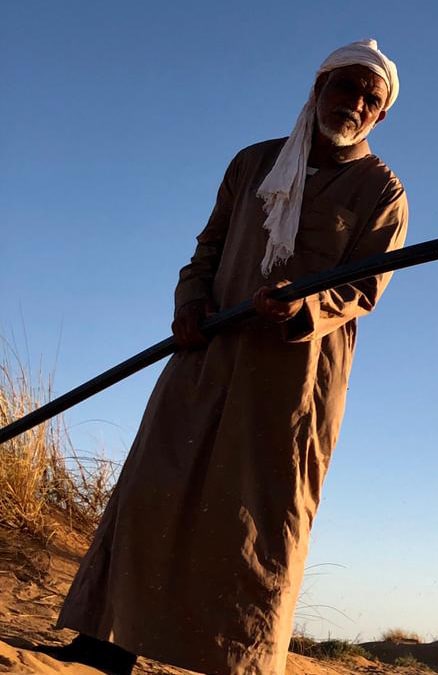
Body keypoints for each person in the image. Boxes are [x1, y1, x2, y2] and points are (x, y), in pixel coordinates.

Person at [38, 39, 409, 675]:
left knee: (258, 519)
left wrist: (301, 311)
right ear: (317, 90)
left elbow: (364, 289)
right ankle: (105, 642)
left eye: (369, 99)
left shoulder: (383, 191)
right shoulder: (254, 163)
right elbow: (206, 251)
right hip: (207, 353)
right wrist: (189, 305)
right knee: (156, 486)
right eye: (343, 88)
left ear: (380, 116)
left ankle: (235, 662)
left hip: (294, 380)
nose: (353, 103)